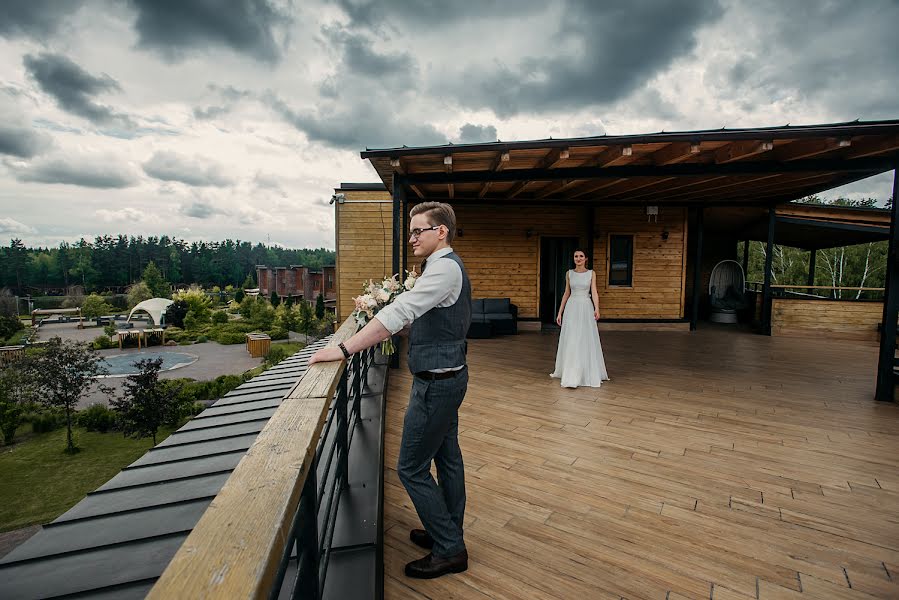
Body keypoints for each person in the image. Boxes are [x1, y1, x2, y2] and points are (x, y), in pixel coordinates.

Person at [310, 201, 471, 579]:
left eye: (419, 230)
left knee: (411, 468)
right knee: (448, 460)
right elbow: (427, 319)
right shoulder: (445, 267)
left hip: (436, 384)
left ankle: (450, 548)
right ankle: (445, 532)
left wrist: (344, 348)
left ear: (441, 231)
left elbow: (399, 312)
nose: (412, 237)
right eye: (411, 231)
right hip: (448, 377)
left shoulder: (443, 269)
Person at [550, 249, 610, 388]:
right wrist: (560, 312)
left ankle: (585, 371)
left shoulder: (591, 273)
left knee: (584, 337)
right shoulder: (569, 273)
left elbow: (594, 292)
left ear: (586, 258)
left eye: (581, 256)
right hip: (572, 307)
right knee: (572, 337)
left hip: (585, 307)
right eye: (576, 256)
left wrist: (597, 308)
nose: (578, 258)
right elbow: (566, 293)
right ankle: (571, 373)